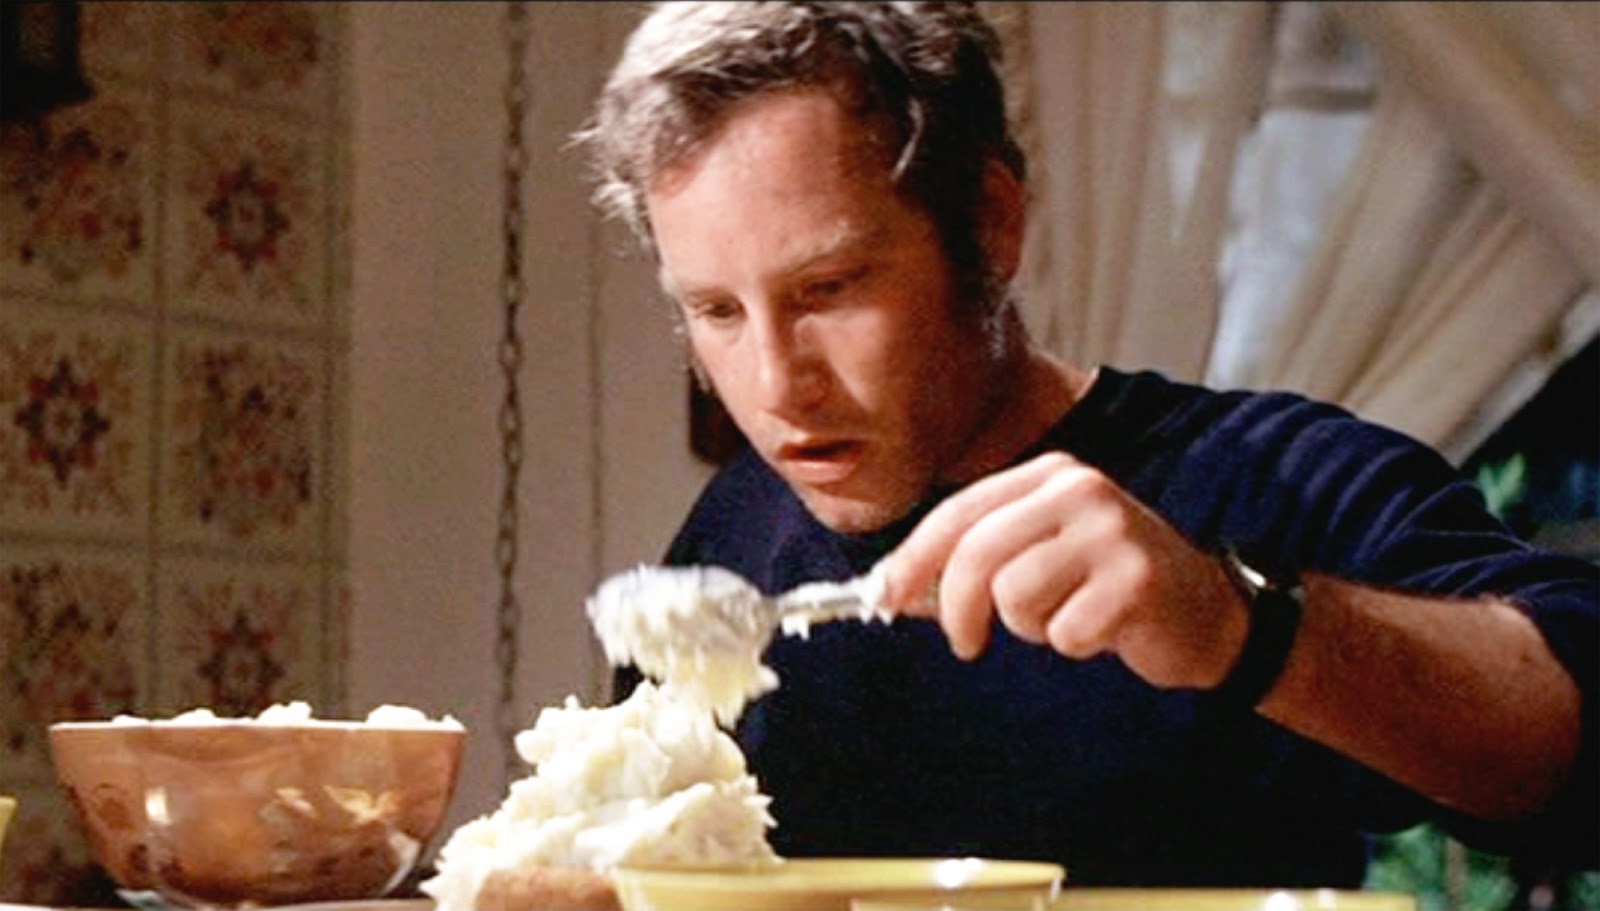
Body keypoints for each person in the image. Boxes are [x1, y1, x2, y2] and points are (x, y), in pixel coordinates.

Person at [575, 1, 1598, 888]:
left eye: (830, 289)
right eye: (715, 310)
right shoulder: (736, 533)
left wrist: (1238, 625)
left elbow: (1574, 741)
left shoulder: (1266, 477)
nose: (772, 384)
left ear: (990, 223)